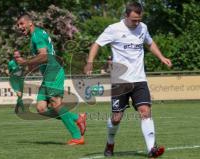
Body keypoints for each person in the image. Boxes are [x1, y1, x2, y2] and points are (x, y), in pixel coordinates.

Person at [84, 2, 172, 158]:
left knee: (145, 111)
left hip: (139, 79)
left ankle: (151, 149)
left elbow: (150, 43)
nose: (137, 23)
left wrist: (161, 57)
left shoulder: (143, 27)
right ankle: (110, 142)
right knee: (116, 118)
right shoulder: (113, 29)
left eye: (139, 19)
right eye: (134, 20)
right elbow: (96, 44)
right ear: (126, 16)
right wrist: (90, 62)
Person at [16, 14, 86, 145]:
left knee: (56, 103)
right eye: (18, 25)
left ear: (30, 23)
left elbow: (44, 56)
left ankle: (77, 136)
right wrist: (27, 64)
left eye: (21, 23)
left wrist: (25, 62)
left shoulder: (36, 36)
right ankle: (77, 118)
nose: (20, 27)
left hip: (53, 72)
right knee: (41, 108)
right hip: (48, 73)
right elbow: (42, 58)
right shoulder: (37, 35)